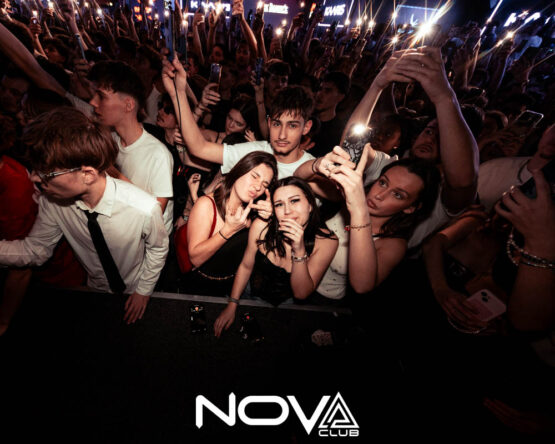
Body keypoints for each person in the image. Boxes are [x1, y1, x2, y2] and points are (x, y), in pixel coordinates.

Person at [0, 108, 169, 324]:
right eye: (34, 169)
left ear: (87, 174)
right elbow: (36, 251)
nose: (34, 178)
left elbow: (158, 248)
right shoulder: (52, 203)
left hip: (134, 288)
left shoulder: (143, 208)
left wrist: (143, 291)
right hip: (94, 292)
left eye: (46, 173)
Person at [299, 146, 440, 299]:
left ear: (410, 208)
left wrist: (359, 210)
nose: (380, 195)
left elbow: (362, 286)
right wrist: (318, 164)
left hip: (320, 302)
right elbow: (299, 180)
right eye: (383, 183)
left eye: (398, 195)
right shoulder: (346, 198)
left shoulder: (393, 245)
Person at [214, 177, 338, 336]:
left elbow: (301, 294)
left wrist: (299, 251)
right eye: (279, 204)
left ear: (310, 205)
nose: (287, 211)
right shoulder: (261, 226)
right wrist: (232, 304)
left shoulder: (327, 241)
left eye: (294, 201)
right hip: (248, 293)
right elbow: (246, 266)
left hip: (288, 305)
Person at [162, 55, 315, 180]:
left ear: (306, 127)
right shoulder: (257, 152)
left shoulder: (314, 169)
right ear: (269, 123)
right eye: (277, 124)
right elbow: (199, 148)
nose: (282, 135)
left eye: (292, 126)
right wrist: (178, 93)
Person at [182, 151, 277, 296]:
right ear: (240, 171)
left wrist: (270, 219)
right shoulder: (206, 205)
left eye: (265, 184)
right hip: (200, 288)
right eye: (254, 176)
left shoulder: (254, 212)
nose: (258, 187)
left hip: (232, 287)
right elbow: (195, 259)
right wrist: (228, 230)